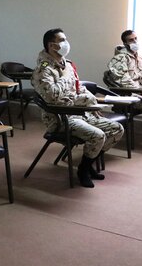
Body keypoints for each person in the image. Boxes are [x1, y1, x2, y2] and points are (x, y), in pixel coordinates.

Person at [32, 28, 124, 188]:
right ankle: (83, 171)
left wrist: (90, 100)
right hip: (61, 118)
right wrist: (68, 82)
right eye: (62, 40)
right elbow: (52, 97)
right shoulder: (43, 69)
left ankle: (88, 165)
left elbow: (78, 88)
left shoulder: (67, 65)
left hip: (80, 112)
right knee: (97, 135)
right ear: (52, 46)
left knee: (117, 129)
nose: (66, 43)